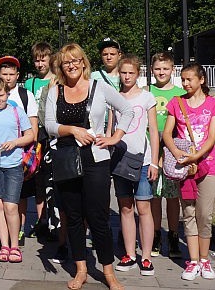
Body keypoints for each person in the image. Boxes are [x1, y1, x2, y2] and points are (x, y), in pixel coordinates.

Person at [43, 43, 133, 290]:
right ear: (61, 66)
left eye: (75, 60)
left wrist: (115, 137)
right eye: (66, 62)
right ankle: (81, 269)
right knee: (73, 217)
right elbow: (49, 124)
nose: (71, 65)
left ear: (83, 62)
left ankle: (108, 272)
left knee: (98, 217)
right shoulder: (55, 91)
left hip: (96, 160)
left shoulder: (99, 87)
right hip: (66, 159)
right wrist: (72, 130)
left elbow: (127, 110)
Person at [163, 63, 215, 282]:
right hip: (184, 167)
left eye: (190, 79)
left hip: (208, 165)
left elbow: (212, 137)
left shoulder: (213, 104)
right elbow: (167, 134)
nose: (185, 83)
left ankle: (205, 259)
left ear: (201, 80)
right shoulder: (176, 103)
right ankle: (193, 260)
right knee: (188, 213)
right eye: (183, 80)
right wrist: (178, 152)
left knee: (204, 214)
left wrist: (196, 157)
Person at [109, 55, 159, 276]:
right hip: (120, 159)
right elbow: (111, 130)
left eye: (131, 73)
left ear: (138, 74)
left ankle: (146, 255)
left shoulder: (147, 97)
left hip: (143, 159)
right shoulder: (114, 98)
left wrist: (155, 162)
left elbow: (154, 132)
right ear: (118, 73)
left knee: (144, 207)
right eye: (123, 73)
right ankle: (129, 253)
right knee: (125, 207)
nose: (127, 77)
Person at [0, 76, 36, 264]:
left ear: (7, 93)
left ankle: (15, 245)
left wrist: (14, 142)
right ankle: (4, 245)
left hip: (13, 164)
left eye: (2, 95)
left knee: (11, 205)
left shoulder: (16, 111)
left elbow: (30, 135)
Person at [0, 55, 37, 245]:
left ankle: (19, 229)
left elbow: (33, 127)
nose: (7, 78)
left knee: (20, 195)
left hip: (20, 153)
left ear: (17, 75)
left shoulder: (24, 95)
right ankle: (3, 230)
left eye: (11, 74)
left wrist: (23, 145)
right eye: (4, 74)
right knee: (0, 195)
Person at [148, 51, 184, 258]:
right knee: (154, 195)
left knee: (172, 196)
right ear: (152, 70)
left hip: (172, 150)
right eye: (158, 69)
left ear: (172, 70)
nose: (161, 72)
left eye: (165, 69)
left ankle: (172, 235)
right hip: (150, 149)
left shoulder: (179, 93)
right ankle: (154, 233)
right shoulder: (147, 91)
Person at [25, 41, 59, 239]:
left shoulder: (56, 80)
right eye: (36, 60)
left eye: (43, 60)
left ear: (50, 59)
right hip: (34, 135)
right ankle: (41, 220)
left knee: (51, 180)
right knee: (38, 179)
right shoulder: (30, 83)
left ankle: (55, 220)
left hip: (50, 135)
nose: (39, 64)